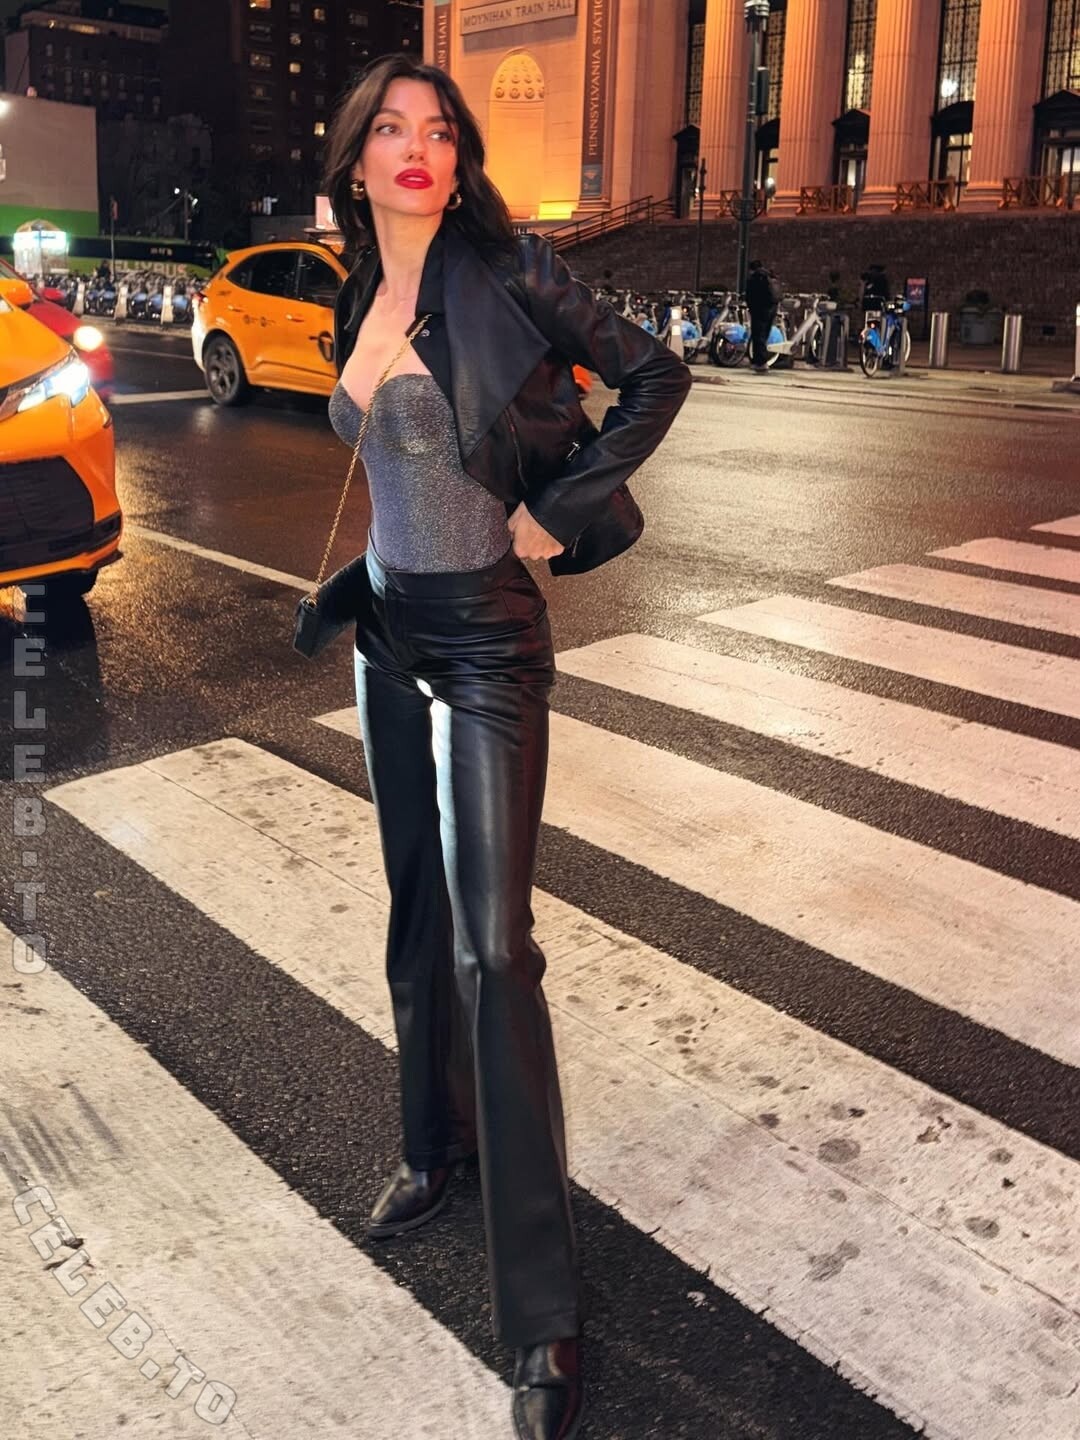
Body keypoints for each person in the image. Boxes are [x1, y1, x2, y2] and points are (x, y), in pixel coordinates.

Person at [323, 53, 690, 1440]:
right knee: (416, 918)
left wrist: (561, 509)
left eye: (438, 130)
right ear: (358, 159)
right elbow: (394, 464)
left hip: (486, 643)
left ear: (459, 156)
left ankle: (542, 1318)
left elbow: (655, 374)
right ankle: (435, 1149)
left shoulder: (511, 270)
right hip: (387, 632)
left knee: (495, 950)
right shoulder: (358, 285)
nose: (416, 148)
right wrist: (365, 585)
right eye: (390, 129)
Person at [746, 258, 780, 372]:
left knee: (758, 336)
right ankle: (758, 361)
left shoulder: (755, 277)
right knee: (764, 335)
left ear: (752, 269)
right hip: (772, 308)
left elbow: (750, 295)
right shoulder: (770, 275)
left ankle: (761, 363)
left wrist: (751, 308)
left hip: (760, 310)